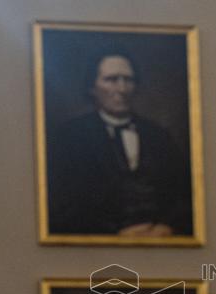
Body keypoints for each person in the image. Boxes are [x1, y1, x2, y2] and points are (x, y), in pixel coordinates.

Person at [46, 50, 192, 237]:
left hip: (160, 242)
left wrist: (167, 227)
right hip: (96, 247)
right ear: (92, 87)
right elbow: (61, 205)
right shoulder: (71, 136)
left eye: (128, 80)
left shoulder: (158, 136)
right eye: (112, 79)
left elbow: (184, 196)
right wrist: (115, 234)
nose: (122, 88)